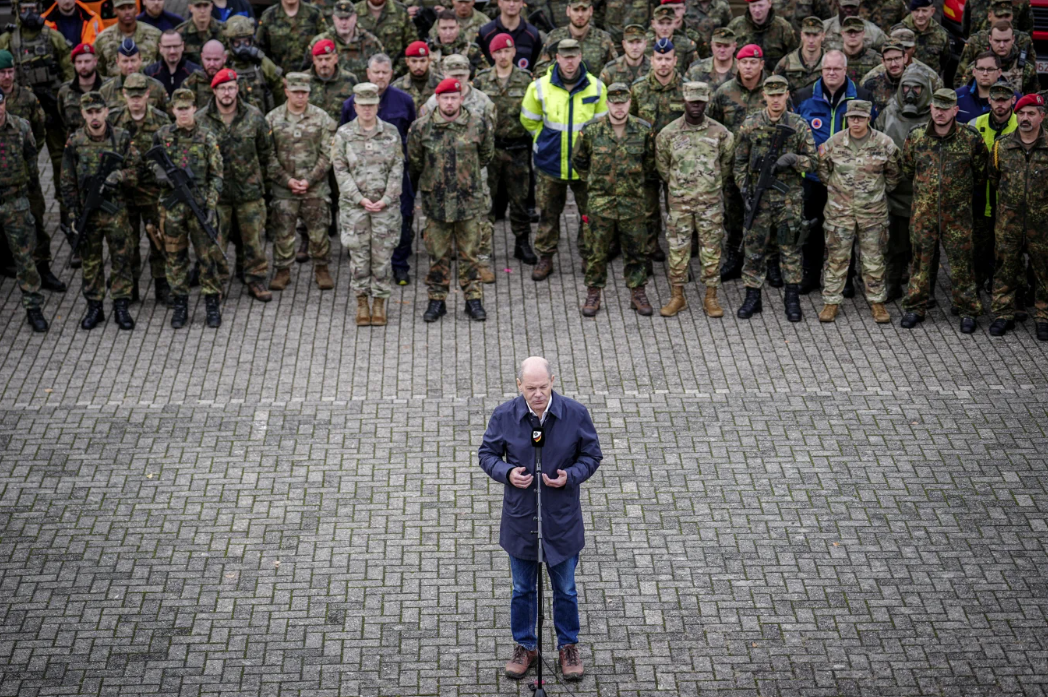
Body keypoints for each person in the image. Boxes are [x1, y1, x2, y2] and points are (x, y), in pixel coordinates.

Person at [478, 356, 602, 684]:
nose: (537, 394)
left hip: (561, 522)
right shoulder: (504, 415)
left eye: (543, 387)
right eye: (530, 388)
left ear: (553, 381)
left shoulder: (575, 414)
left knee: (566, 589)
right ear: (519, 385)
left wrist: (571, 476)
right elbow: (486, 454)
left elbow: (592, 455)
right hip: (521, 522)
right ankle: (525, 646)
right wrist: (506, 472)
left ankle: (568, 647)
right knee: (522, 589)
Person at [898, 88, 986, 331]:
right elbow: (907, 169)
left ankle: (968, 310)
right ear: (931, 108)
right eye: (936, 108)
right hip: (923, 216)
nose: (940, 113)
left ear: (955, 111)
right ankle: (916, 307)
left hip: (957, 217)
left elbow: (981, 173)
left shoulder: (970, 138)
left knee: (962, 265)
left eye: (945, 109)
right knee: (920, 264)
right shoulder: (916, 136)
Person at [520, 38, 607, 281]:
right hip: (551, 162)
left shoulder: (597, 87)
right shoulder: (539, 87)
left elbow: (603, 126)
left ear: (580, 56)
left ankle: (588, 256)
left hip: (585, 165)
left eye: (573, 56)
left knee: (589, 215)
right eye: (564, 56)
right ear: (556, 58)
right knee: (548, 213)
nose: (569, 62)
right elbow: (528, 120)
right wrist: (542, 140)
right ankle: (545, 257)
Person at [408, 76, 494, 321]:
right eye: (445, 98)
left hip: (468, 202)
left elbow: (485, 155)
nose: (449, 102)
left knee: (470, 253)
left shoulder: (478, 124)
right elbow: (415, 161)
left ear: (460, 98)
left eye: (453, 98)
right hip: (437, 203)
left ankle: (473, 300)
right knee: (437, 254)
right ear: (437, 99)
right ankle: (437, 300)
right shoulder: (421, 127)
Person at [733, 75, 816, 321]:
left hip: (788, 199)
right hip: (759, 199)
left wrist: (793, 160)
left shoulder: (799, 125)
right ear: (765, 96)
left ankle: (791, 299)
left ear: (787, 94)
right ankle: (752, 297)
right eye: (772, 95)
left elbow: (814, 163)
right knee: (754, 248)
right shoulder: (751, 124)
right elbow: (738, 162)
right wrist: (744, 190)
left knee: (790, 248)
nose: (776, 100)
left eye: (780, 95)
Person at [794, 50, 876, 295]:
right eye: (827, 69)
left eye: (836, 69)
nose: (831, 73)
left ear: (845, 70)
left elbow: (872, 132)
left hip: (847, 178)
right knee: (811, 227)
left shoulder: (861, 97)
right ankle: (810, 275)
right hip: (812, 177)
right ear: (821, 70)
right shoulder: (803, 96)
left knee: (845, 230)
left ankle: (846, 278)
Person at [571, 82, 656, 316]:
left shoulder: (643, 130)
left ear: (630, 102)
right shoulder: (591, 130)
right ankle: (593, 294)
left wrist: (634, 184)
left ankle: (638, 292)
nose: (619, 107)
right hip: (601, 202)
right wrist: (595, 183)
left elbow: (649, 164)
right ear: (607, 103)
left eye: (623, 102)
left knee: (636, 250)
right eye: (614, 102)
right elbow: (578, 160)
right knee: (596, 251)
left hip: (632, 202)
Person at [60, 91, 140, 331]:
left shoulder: (122, 138)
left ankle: (121, 304)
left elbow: (137, 171)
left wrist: (120, 175)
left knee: (121, 258)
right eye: (89, 112)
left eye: (98, 111)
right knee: (91, 261)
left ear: (106, 111)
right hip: (89, 211)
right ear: (83, 114)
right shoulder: (75, 142)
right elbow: (67, 180)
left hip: (115, 210)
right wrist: (73, 213)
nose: (95, 117)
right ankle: (95, 306)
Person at [816, 99, 901, 323]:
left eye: (860, 118)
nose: (856, 122)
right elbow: (823, 170)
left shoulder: (884, 143)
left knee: (874, 260)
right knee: (836, 259)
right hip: (839, 213)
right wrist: (838, 192)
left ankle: (877, 303)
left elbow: (894, 174)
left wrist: (877, 193)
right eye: (852, 117)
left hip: (873, 213)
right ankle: (831, 302)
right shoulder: (834, 143)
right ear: (847, 119)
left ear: (868, 118)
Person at [655, 80, 734, 318]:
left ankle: (711, 297)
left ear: (707, 101)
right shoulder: (668, 134)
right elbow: (663, 167)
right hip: (680, 204)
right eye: (692, 102)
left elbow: (726, 165)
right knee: (678, 249)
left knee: (711, 250)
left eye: (701, 101)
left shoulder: (721, 133)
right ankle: (677, 296)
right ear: (685, 102)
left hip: (710, 204)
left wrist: (709, 186)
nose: (696, 106)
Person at [339, 54, 417, 286]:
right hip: (361, 177)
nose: (380, 77)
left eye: (385, 72)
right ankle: (366, 270)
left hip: (394, 172)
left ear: (391, 74)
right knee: (362, 223)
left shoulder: (404, 101)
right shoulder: (349, 104)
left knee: (402, 218)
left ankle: (400, 265)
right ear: (368, 73)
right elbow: (344, 137)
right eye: (376, 72)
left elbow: (410, 134)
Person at [197, 67, 273, 302]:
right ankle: (217, 282)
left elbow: (265, 151)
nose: (227, 92)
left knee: (253, 239)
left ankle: (256, 279)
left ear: (237, 89)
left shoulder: (253, 116)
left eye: (231, 87)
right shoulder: (200, 119)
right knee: (215, 240)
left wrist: (263, 184)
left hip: (249, 191)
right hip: (216, 195)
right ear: (215, 91)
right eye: (222, 88)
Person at [152, 87, 226, 328]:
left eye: (187, 108)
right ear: (173, 110)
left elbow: (217, 174)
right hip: (172, 208)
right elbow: (151, 164)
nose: (183, 113)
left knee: (208, 257)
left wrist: (211, 204)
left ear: (195, 108)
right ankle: (180, 303)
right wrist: (163, 176)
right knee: (175, 257)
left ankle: (212, 304)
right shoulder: (162, 135)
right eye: (179, 109)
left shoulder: (207, 137)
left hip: (200, 205)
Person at [332, 82, 403, 326]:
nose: (366, 110)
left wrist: (385, 199)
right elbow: (340, 171)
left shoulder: (391, 133)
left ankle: (380, 302)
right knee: (359, 259)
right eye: (362, 105)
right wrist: (360, 199)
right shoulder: (344, 135)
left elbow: (397, 168)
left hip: (385, 208)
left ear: (377, 105)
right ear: (355, 106)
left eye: (371, 105)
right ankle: (362, 302)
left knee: (382, 258)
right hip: (356, 208)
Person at [265, 72, 337, 292]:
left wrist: (309, 179)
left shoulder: (321, 118)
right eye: (295, 92)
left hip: (315, 187)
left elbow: (328, 154)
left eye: (304, 93)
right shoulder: (272, 119)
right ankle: (282, 271)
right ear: (286, 92)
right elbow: (268, 155)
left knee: (319, 232)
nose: (300, 97)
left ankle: (322, 269)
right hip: (284, 189)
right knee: (283, 232)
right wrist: (287, 181)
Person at [0, 50, 64, 294]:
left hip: (26, 177)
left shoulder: (26, 98)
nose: (6, 77)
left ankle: (43, 267)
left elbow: (38, 130)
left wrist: (28, 158)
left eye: (9, 71)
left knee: (35, 217)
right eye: (2, 72)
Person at [473, 32, 538, 266]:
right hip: (490, 150)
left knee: (519, 201)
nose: (503, 56)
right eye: (498, 52)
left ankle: (522, 243)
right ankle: (483, 248)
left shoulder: (526, 80)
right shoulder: (481, 80)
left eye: (507, 51)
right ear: (492, 55)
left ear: (513, 52)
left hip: (518, 149)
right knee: (486, 201)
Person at [988, 93, 1048, 339]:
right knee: (1005, 268)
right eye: (1021, 113)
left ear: (1041, 117)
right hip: (1008, 222)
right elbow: (994, 178)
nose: (1025, 118)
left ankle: (1044, 317)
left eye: (1031, 113)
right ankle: (1004, 314)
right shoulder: (1002, 146)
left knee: (1044, 271)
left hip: (1042, 224)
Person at [108, 71, 172, 304]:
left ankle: (162, 285)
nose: (135, 100)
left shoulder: (162, 121)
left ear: (147, 94)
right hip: (124, 191)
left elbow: (170, 154)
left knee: (159, 239)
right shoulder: (114, 120)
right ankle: (130, 287)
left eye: (139, 95)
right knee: (127, 242)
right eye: (130, 95)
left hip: (153, 191)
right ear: (124, 94)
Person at [874, 63, 933, 302]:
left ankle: (923, 290)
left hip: (925, 193)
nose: (910, 93)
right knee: (895, 245)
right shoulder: (888, 113)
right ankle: (892, 284)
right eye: (906, 87)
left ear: (926, 90)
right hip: (896, 191)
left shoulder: (934, 115)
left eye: (917, 89)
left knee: (924, 247)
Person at [707, 44, 765, 283]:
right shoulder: (724, 92)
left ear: (761, 64)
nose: (748, 67)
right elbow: (712, 127)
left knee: (764, 215)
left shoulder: (772, 91)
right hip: (733, 167)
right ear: (737, 64)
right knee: (733, 214)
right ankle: (734, 257)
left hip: (763, 166)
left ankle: (765, 262)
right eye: (744, 62)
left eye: (753, 62)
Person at [0, 88, 49, 331]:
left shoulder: (20, 127)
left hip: (14, 201)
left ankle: (33, 307)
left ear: (4, 103)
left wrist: (30, 193)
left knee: (25, 257)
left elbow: (32, 159)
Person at [630, 36, 681, 264]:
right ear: (651, 60)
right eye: (659, 59)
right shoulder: (639, 89)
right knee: (648, 210)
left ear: (675, 60)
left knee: (678, 212)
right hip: (647, 161)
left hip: (677, 163)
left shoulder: (686, 88)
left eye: (667, 59)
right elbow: (631, 123)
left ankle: (679, 257)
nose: (663, 64)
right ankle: (650, 249)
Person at [968, 80, 1015, 293]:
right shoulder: (975, 124)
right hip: (980, 201)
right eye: (996, 99)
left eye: (1005, 99)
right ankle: (975, 289)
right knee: (978, 249)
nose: (1000, 104)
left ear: (1013, 100)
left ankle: (1005, 292)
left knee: (1007, 252)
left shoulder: (1020, 125)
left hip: (1008, 204)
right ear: (990, 100)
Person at [533, 0, 618, 78]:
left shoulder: (603, 39)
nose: (580, 14)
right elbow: (539, 71)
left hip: (593, 91)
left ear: (591, 11)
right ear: (568, 11)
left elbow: (614, 70)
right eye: (576, 10)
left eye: (584, 10)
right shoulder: (554, 37)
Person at [224, 16, 285, 114]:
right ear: (229, 43)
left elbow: (279, 87)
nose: (243, 47)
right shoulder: (225, 63)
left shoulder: (261, 62)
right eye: (237, 43)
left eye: (246, 42)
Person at [308, 0, 382, 79]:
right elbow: (308, 72)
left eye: (347, 18)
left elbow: (381, 72)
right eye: (340, 18)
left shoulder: (371, 42)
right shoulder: (320, 42)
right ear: (334, 18)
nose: (344, 23)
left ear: (355, 17)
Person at [257, 0, 326, 75]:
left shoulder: (314, 14)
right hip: (277, 80)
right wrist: (277, 78)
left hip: (309, 78)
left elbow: (326, 45)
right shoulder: (268, 16)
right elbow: (260, 52)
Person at [94, 0, 162, 76]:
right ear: (114, 10)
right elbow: (98, 72)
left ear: (136, 9)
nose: (127, 12)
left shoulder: (154, 35)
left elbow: (163, 67)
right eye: (122, 8)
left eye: (130, 7)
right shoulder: (103, 39)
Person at [99, 38, 169, 112]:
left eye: (133, 60)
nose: (130, 66)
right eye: (125, 61)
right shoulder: (106, 90)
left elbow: (169, 116)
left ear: (140, 60)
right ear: (117, 62)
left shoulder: (156, 87)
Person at [727, 0, 797, 70]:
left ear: (769, 4)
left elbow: (793, 56)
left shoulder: (783, 27)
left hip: (774, 77)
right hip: (744, 76)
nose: (757, 10)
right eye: (753, 6)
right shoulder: (736, 26)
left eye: (761, 6)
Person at [477, 0, 543, 71]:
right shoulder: (486, 32)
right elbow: (478, 62)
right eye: (507, 0)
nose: (512, 4)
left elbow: (537, 65)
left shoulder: (532, 34)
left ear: (521, 3)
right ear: (499, 2)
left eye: (516, 1)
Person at [354, 0, 415, 73]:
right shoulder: (355, 11)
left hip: (395, 73)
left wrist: (397, 69)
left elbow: (411, 45)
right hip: (361, 73)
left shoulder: (400, 11)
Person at [427, 9, 489, 77]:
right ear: (438, 29)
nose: (448, 33)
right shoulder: (429, 50)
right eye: (444, 28)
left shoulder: (470, 49)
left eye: (451, 28)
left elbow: (484, 74)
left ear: (458, 28)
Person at [307, 38, 357, 120]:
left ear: (335, 59)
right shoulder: (304, 80)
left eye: (327, 59)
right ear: (314, 60)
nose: (324, 63)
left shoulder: (350, 80)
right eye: (320, 59)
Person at [897, 0, 950, 76]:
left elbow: (944, 60)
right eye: (917, 10)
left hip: (931, 82)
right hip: (904, 81)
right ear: (911, 11)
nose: (920, 15)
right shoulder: (898, 32)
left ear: (932, 11)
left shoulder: (942, 34)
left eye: (924, 11)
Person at [773, 16, 824, 93]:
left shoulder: (832, 62)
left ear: (823, 36)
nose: (811, 40)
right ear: (801, 35)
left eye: (815, 35)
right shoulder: (786, 63)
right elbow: (775, 92)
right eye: (807, 34)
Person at [145, 29, 201, 95]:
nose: (172, 51)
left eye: (176, 46)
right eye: (168, 47)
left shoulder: (195, 73)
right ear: (160, 48)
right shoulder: (150, 74)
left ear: (182, 46)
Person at [391, 41, 441, 111]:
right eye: (414, 61)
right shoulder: (397, 87)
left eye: (422, 61)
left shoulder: (441, 84)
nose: (418, 66)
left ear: (429, 61)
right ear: (407, 61)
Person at [862, 40, 908, 112]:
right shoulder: (871, 85)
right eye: (889, 60)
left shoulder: (918, 83)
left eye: (897, 58)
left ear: (905, 58)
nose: (893, 64)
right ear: (883, 61)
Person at [684, 26, 736, 90]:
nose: (722, 50)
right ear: (712, 45)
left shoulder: (743, 71)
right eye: (718, 46)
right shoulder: (696, 70)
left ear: (734, 46)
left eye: (726, 46)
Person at [180, 38, 227, 107]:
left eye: (216, 59)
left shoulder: (233, 82)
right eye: (208, 59)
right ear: (202, 57)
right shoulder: (190, 83)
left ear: (224, 58)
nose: (212, 64)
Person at [176, 0, 224, 66]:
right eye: (198, 6)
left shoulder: (222, 30)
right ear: (190, 8)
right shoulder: (180, 33)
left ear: (211, 6)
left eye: (205, 6)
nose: (202, 11)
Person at [840, 17, 881, 84]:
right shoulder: (834, 58)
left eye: (857, 32)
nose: (853, 35)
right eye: (849, 32)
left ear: (863, 33)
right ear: (842, 34)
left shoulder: (875, 59)